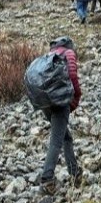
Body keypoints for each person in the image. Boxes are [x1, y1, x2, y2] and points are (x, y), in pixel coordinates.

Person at [39, 37, 82, 194]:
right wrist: (77, 94)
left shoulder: (49, 56)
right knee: (56, 140)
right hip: (60, 101)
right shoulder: (68, 53)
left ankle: (74, 171)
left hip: (46, 102)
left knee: (65, 137)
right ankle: (47, 179)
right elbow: (72, 74)